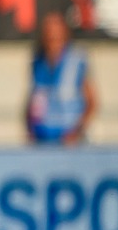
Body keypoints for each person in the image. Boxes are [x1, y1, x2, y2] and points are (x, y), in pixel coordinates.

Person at [27, 11, 95, 145]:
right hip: (42, 138)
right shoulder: (37, 61)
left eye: (56, 32)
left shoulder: (77, 59)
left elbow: (92, 101)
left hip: (68, 139)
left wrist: (77, 132)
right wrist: (30, 129)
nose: (52, 37)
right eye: (48, 32)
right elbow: (33, 98)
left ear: (65, 33)